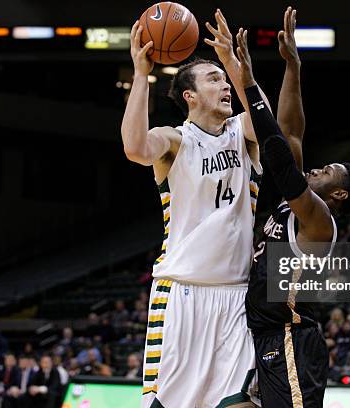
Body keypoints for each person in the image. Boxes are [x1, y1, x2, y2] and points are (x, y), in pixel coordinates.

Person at [122, 7, 268, 408]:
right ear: (190, 95)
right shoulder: (174, 140)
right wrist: (140, 74)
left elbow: (266, 125)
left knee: (241, 403)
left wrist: (235, 66)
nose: (224, 86)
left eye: (225, 80)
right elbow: (135, 148)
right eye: (214, 79)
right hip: (182, 293)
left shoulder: (243, 133)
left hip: (236, 295)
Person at [235, 8, 350, 407]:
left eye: (327, 171)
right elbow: (291, 132)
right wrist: (292, 66)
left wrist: (251, 87)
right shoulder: (298, 209)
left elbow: (278, 155)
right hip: (259, 335)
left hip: (290, 339)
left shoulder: (318, 221)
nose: (315, 169)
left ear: (338, 194)